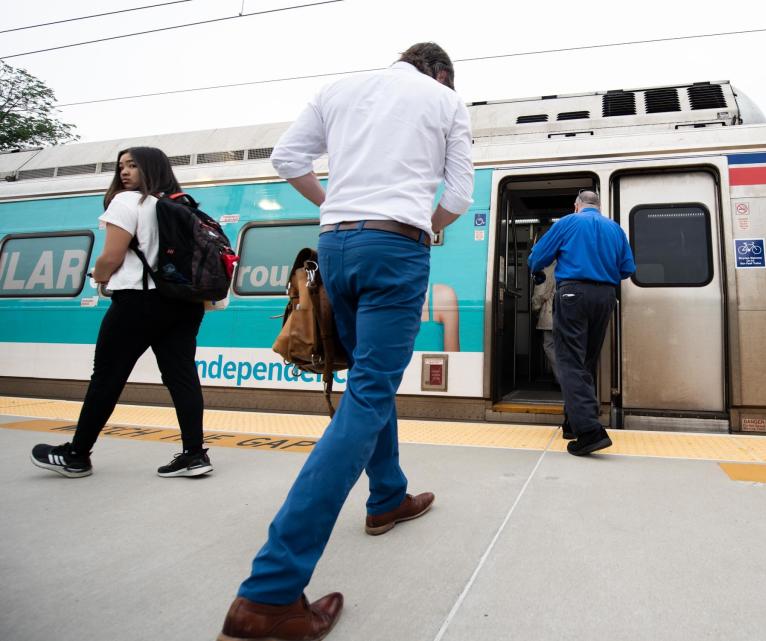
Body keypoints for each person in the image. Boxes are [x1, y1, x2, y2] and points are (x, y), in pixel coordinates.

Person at [217, 43, 474, 641]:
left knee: (365, 377)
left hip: (333, 245)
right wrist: (425, 227)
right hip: (394, 247)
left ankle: (387, 496)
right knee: (367, 395)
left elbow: (287, 158)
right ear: (440, 73)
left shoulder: (340, 88)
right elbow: (458, 197)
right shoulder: (445, 101)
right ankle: (270, 592)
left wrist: (335, 203)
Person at [30, 147, 212, 478]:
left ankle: (77, 454)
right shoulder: (179, 204)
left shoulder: (127, 202)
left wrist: (99, 277)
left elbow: (111, 256)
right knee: (182, 376)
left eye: (133, 165)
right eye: (121, 166)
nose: (124, 172)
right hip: (184, 304)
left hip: (138, 302)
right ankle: (194, 454)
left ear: (151, 168)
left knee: (107, 377)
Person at [528, 190, 636, 456]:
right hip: (605, 296)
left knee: (569, 361)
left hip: (574, 293)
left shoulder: (567, 222)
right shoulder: (615, 229)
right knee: (585, 360)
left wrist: (538, 273)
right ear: (598, 206)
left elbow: (537, 258)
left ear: (576, 205)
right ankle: (571, 422)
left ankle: (590, 432)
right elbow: (627, 269)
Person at [530, 261, 557, 374]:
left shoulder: (547, 268)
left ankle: (562, 378)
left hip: (550, 313)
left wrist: (535, 308)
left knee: (549, 345)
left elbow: (540, 294)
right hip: (567, 313)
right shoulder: (567, 264)